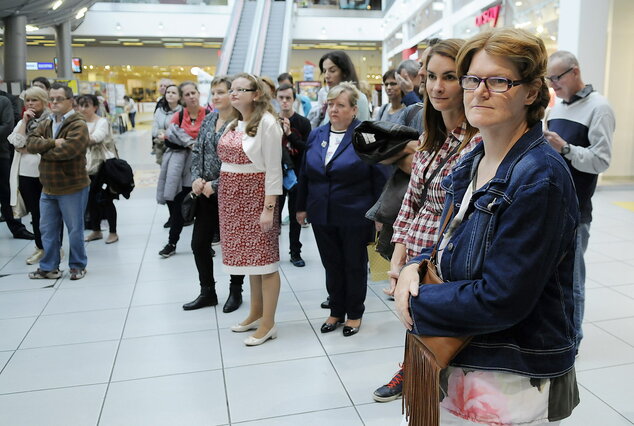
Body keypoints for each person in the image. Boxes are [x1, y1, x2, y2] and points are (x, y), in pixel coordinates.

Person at [394, 28, 579, 425]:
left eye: (498, 81)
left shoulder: (538, 177)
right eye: (473, 80)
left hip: (507, 368)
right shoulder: (475, 159)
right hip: (465, 351)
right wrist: (416, 263)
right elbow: (450, 239)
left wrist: (414, 299)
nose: (479, 92)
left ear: (531, 92)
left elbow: (502, 298)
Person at [372, 39, 481, 404]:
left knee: (445, 334)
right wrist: (399, 253)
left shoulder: (477, 139)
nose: (437, 86)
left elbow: (463, 211)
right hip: (416, 247)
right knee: (415, 322)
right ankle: (415, 372)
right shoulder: (428, 136)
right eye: (431, 76)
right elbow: (411, 202)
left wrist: (416, 261)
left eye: (450, 77)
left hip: (447, 250)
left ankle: (429, 379)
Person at [296, 82, 388, 337]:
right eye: (331, 104)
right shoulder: (317, 134)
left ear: (354, 109)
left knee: (354, 265)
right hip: (322, 212)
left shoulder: (366, 135)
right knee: (331, 264)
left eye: (340, 105)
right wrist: (301, 206)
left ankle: (355, 313)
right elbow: (305, 173)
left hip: (355, 213)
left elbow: (381, 177)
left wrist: (380, 214)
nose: (333, 109)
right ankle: (336, 310)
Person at [544, 50, 615, 352]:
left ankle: (573, 340)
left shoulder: (600, 108)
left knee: (572, 279)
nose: (552, 85)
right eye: (549, 79)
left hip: (576, 210)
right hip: (549, 206)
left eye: (556, 78)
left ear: (575, 72)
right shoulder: (557, 108)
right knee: (549, 277)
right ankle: (554, 333)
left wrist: (567, 149)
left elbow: (601, 161)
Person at [218, 73, 283, 346]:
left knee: (265, 262)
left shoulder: (268, 124)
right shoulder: (234, 122)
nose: (233, 94)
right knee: (251, 263)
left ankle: (268, 323)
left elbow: (273, 170)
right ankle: (255, 312)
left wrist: (269, 208)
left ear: (256, 94)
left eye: (240, 90)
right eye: (231, 90)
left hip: (255, 198)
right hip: (232, 201)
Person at [183, 76, 246, 313]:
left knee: (233, 245)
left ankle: (235, 290)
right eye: (213, 93)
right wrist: (197, 178)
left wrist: (217, 184)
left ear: (232, 94)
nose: (216, 97)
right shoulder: (209, 119)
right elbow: (198, 149)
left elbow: (243, 162)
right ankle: (207, 291)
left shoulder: (241, 123)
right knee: (199, 243)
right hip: (205, 193)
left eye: (221, 92)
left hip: (231, 192)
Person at [26, 83, 91, 280]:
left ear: (70, 101)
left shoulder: (78, 124)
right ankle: (49, 267)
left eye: (58, 99)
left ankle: (77, 266)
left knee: (74, 231)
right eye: (51, 99)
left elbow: (68, 151)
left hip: (72, 187)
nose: (53, 103)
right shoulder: (47, 122)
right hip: (48, 187)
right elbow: (30, 143)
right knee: (47, 230)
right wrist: (53, 143)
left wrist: (43, 150)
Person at [156, 81, 206, 258]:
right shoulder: (179, 115)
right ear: (182, 98)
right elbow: (169, 139)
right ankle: (172, 242)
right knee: (178, 205)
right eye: (187, 94)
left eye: (194, 93)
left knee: (203, 207)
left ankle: (204, 244)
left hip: (202, 167)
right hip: (180, 168)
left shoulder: (209, 114)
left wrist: (191, 145)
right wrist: (189, 143)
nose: (191, 96)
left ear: (199, 94)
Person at [8, 87, 50, 264]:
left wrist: (28, 148)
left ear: (43, 101)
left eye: (34, 100)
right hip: (25, 174)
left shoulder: (50, 120)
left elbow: (48, 144)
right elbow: (16, 142)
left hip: (46, 173)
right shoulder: (24, 121)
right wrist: (24, 122)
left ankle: (53, 248)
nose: (31, 104)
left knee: (48, 214)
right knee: (35, 214)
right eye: (28, 101)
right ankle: (40, 247)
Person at [276, 83, 312, 267]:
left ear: (294, 100)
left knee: (296, 215)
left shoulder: (303, 123)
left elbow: (308, 149)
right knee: (274, 216)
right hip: (276, 175)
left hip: (297, 175)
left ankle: (295, 252)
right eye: (281, 98)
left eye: (288, 98)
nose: (284, 101)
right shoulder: (271, 121)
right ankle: (272, 252)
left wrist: (289, 134)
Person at [80, 94, 119, 245]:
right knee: (90, 200)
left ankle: (113, 232)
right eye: (81, 105)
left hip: (102, 166)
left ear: (95, 107)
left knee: (105, 199)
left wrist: (76, 138)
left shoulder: (102, 122)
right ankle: (95, 230)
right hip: (84, 167)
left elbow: (95, 138)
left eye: (87, 106)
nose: (83, 109)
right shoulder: (79, 122)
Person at [0, 84, 34, 241]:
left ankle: (17, 227)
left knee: (7, 193)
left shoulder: (4, 101)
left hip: (1, 155)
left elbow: (7, 127)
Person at [310, 50, 371, 127]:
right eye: (324, 71)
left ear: (345, 72)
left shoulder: (359, 98)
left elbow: (362, 131)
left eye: (332, 70)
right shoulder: (325, 94)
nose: (326, 75)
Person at [152, 84, 182, 166]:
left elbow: (182, 131)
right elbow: (154, 129)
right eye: (168, 92)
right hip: (161, 147)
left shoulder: (183, 111)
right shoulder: (159, 111)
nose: (170, 94)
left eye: (173, 92)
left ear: (179, 96)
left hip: (177, 148)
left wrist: (166, 135)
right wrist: (160, 134)